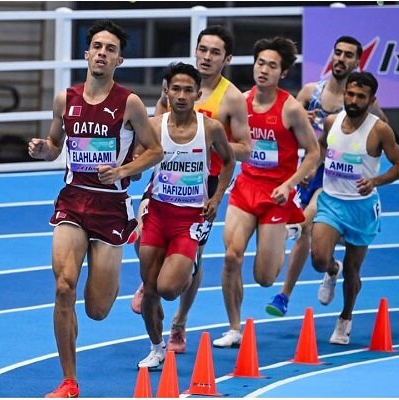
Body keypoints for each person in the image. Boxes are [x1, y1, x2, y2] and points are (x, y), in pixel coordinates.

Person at [27, 20, 163, 398]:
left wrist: (123, 171)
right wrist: (43, 150)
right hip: (73, 199)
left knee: (97, 310)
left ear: (119, 60)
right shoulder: (65, 99)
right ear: (87, 54)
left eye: (110, 49)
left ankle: (114, 266)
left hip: (111, 207)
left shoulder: (129, 103)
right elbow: (55, 145)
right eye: (97, 46)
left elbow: (155, 151)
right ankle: (69, 381)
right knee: (63, 287)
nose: (102, 53)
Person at [130, 25, 251, 354]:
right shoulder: (175, 87)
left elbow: (245, 149)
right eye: (203, 49)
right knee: (142, 233)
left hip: (204, 184)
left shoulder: (232, 98)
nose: (207, 57)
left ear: (227, 58)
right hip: (165, 179)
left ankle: (179, 323)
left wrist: (204, 141)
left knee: (191, 258)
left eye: (215, 52)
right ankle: (151, 280)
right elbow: (156, 132)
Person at [265, 36, 389, 317]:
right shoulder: (311, 92)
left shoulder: (362, 99)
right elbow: (283, 125)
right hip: (313, 165)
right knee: (307, 235)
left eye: (348, 55)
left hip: (341, 175)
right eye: (338, 53)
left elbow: (382, 132)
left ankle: (285, 289)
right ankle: (300, 286)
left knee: (305, 221)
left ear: (357, 62)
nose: (341, 59)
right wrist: (300, 121)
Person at [213, 37, 320, 348]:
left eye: (272, 66)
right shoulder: (240, 102)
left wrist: (290, 183)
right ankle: (234, 327)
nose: (263, 70)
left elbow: (313, 153)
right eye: (260, 63)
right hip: (246, 187)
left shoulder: (291, 109)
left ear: (282, 73)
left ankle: (287, 229)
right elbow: (226, 143)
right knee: (231, 257)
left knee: (264, 278)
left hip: (277, 195)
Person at [136, 62, 235, 370]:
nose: (181, 95)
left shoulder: (211, 128)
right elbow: (136, 160)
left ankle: (188, 265)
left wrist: (217, 197)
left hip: (188, 221)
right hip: (157, 214)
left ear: (198, 94)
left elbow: (229, 161)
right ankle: (156, 347)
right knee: (150, 291)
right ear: (166, 92)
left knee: (168, 289)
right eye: (176, 89)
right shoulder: (154, 126)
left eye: (188, 90)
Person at [311, 71, 399, 345]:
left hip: (361, 208)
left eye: (361, 97)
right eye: (350, 94)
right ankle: (332, 269)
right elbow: (320, 147)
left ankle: (345, 319)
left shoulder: (380, 130)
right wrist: (312, 169)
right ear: (344, 94)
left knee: (353, 271)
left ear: (371, 100)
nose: (353, 100)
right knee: (318, 259)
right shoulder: (331, 122)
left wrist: (375, 181)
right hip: (331, 202)